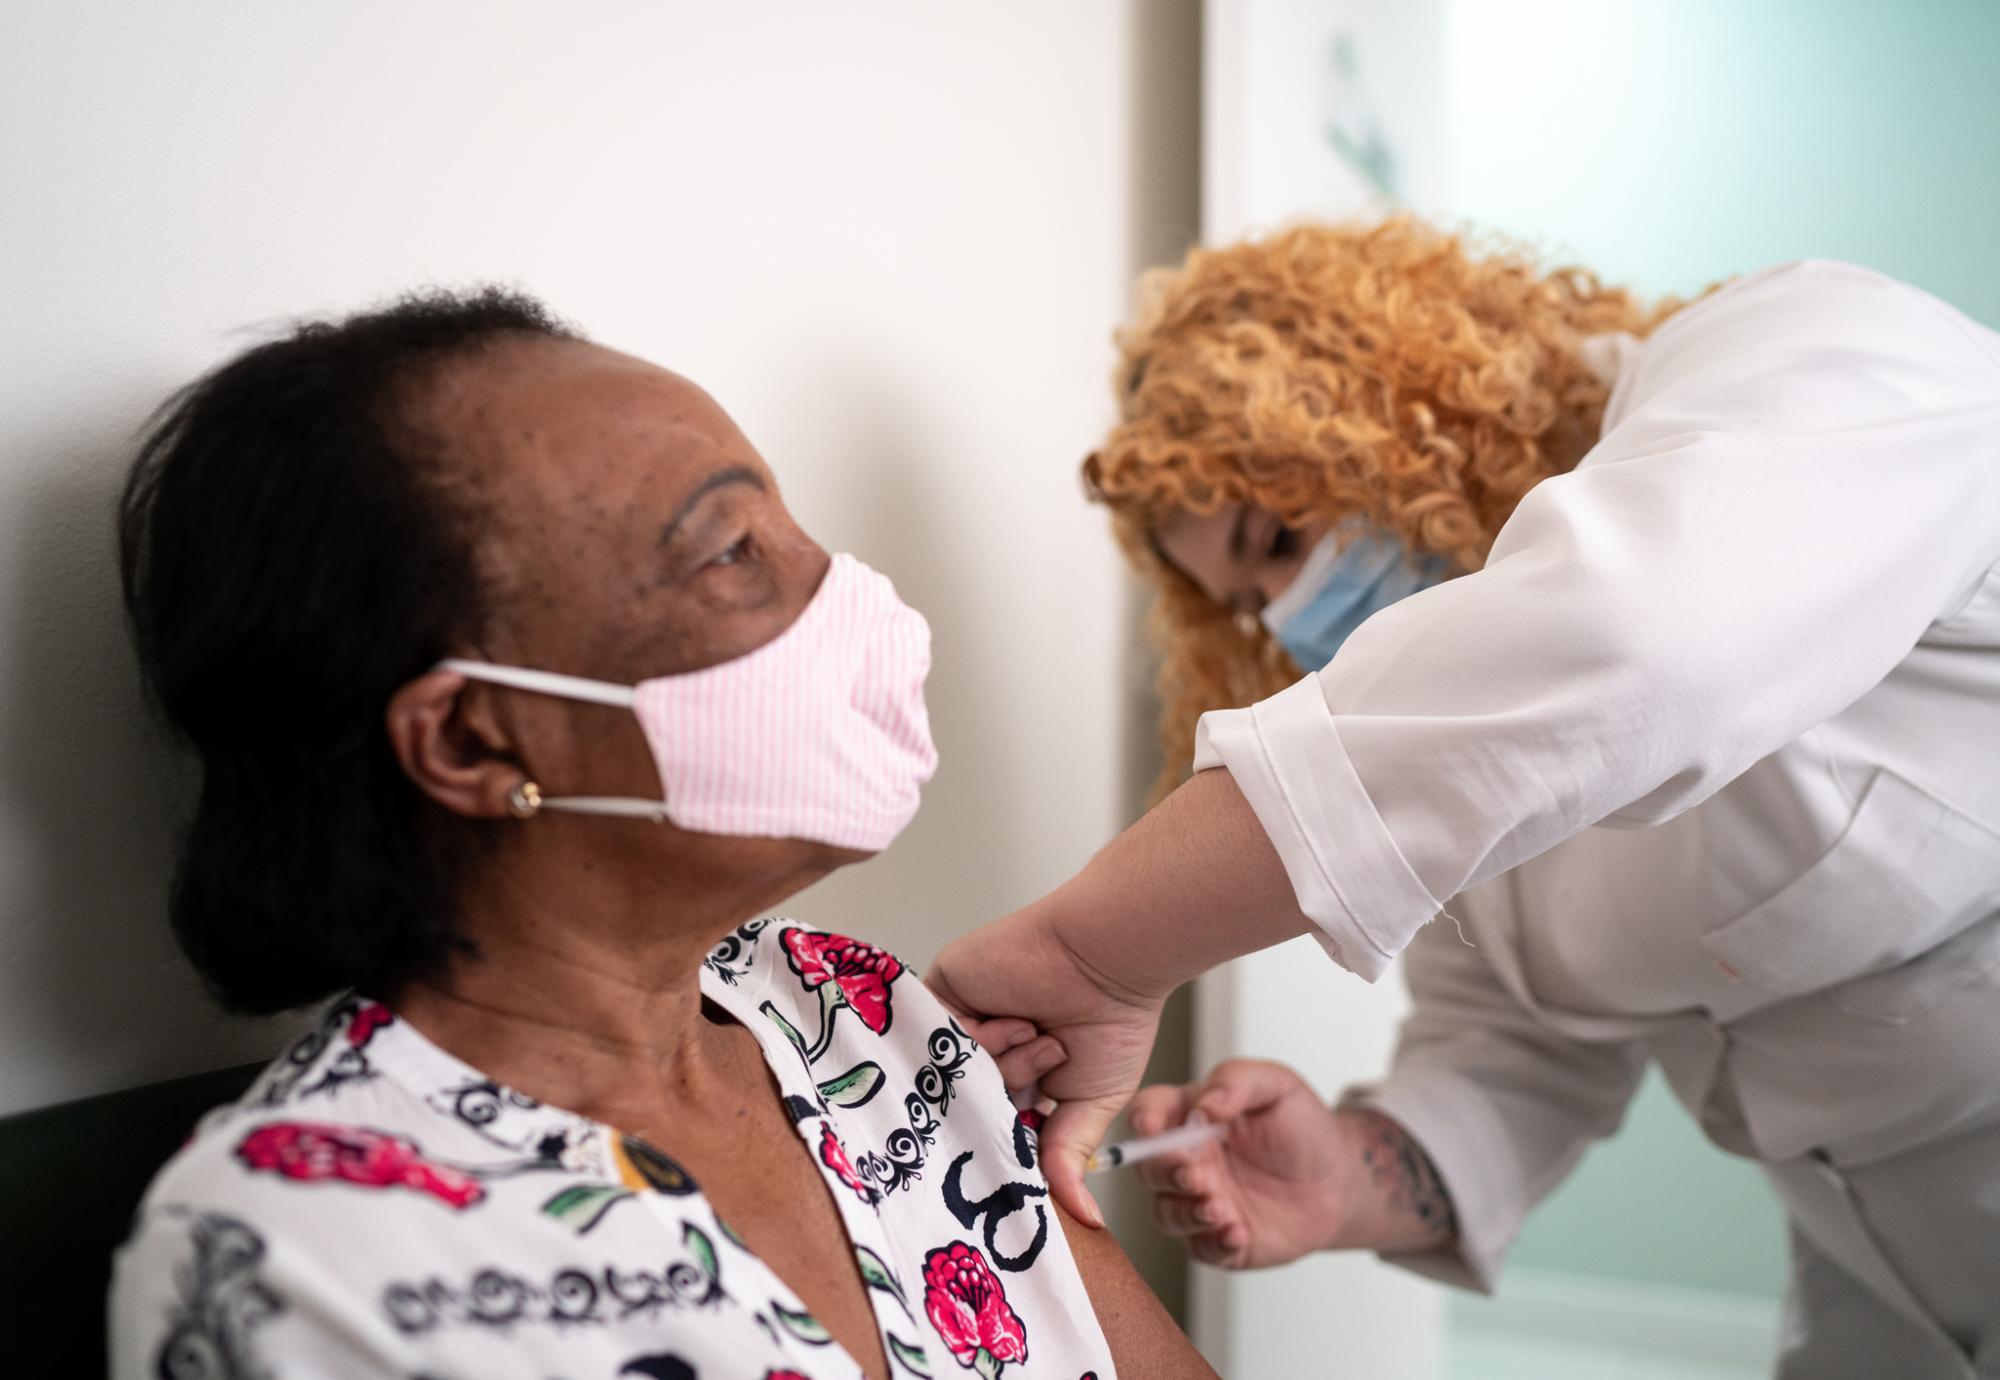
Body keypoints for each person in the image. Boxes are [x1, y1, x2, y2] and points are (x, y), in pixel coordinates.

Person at [927, 217, 2000, 1378]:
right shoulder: (1464, 738)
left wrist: (1098, 951)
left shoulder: (1822, 349)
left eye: (1279, 538)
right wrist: (1342, 1172)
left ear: (1400, 400)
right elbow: (1514, 1053)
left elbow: (1644, 647)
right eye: (1246, 603)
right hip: (1877, 1289)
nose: (1286, 620)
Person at [109, 290, 1217, 1380]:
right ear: (474, 743)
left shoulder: (839, 1009)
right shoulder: (299, 1254)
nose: (843, 596)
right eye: (732, 551)